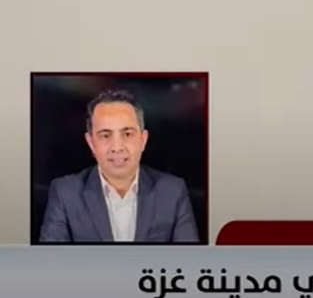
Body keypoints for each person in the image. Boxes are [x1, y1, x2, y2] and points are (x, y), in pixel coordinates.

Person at [38, 89, 200, 243]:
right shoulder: (65, 194)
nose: (117, 147)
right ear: (91, 143)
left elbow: (188, 259)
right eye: (105, 135)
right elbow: (51, 260)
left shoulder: (173, 191)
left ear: (143, 140)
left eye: (127, 134)